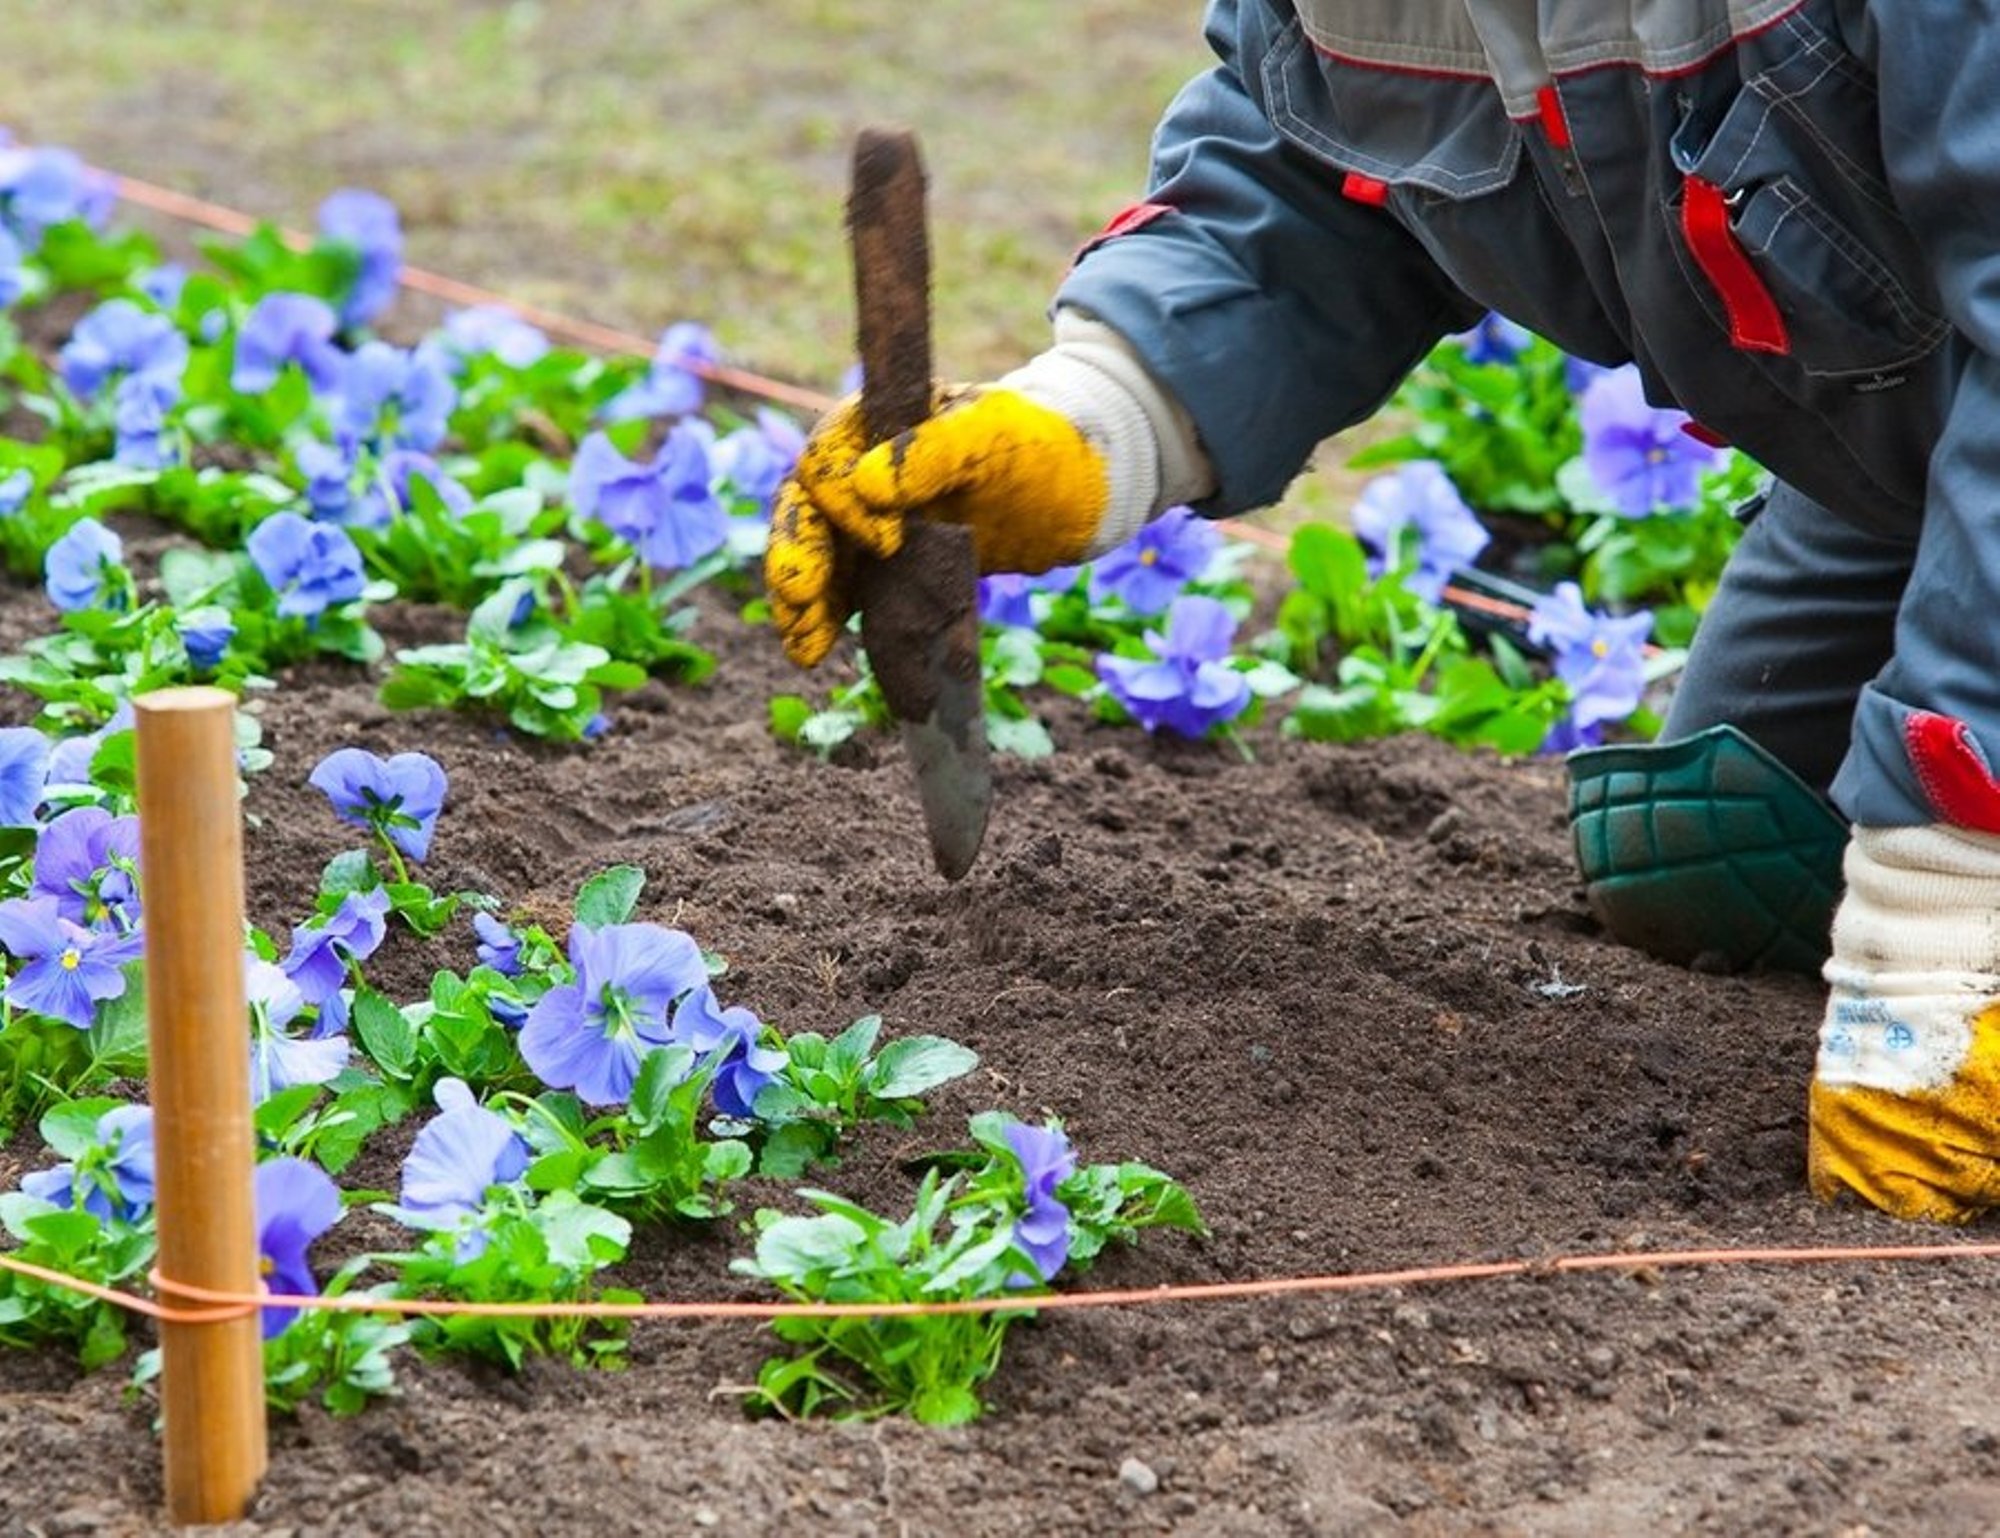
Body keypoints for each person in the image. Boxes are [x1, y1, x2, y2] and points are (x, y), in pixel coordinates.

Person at [765, 1, 2000, 1225]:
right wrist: (1098, 419)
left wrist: (1942, 895)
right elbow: (1300, 180)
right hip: (1910, 459)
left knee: (1938, 917)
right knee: (1716, 855)